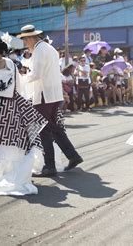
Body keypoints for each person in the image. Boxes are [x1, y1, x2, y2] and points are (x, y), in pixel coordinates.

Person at [0, 38, 47, 195]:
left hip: (1, 110)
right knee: (20, 139)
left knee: (4, 141)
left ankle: (8, 175)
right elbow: (19, 86)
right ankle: (19, 173)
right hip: (17, 104)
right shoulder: (11, 64)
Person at [18, 25, 83, 177]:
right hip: (53, 95)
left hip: (44, 95)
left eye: (24, 39)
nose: (24, 43)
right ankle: (71, 156)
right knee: (53, 128)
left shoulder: (39, 49)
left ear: (30, 38)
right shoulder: (49, 48)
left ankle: (51, 165)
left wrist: (20, 79)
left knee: (45, 131)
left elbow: (36, 74)